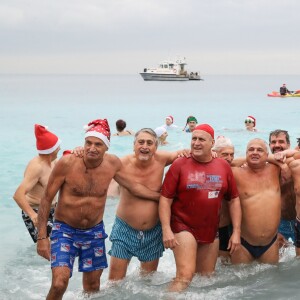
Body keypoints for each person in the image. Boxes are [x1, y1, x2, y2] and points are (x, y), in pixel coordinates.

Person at [36, 119, 159, 299]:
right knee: (59, 283)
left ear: (106, 147)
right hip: (64, 230)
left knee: (93, 287)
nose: (92, 148)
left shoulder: (112, 164)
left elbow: (134, 187)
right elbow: (46, 199)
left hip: (94, 232)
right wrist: (42, 237)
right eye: (88, 143)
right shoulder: (67, 163)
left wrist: (164, 197)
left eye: (98, 144)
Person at [159, 124, 241, 292]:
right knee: (185, 276)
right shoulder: (180, 164)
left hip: (211, 228)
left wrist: (237, 231)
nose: (196, 143)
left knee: (206, 279)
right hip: (183, 225)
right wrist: (166, 229)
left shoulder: (223, 166)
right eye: (193, 139)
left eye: (201, 139)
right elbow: (165, 199)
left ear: (212, 143)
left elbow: (233, 199)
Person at [108, 128, 189, 282]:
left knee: (146, 283)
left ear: (156, 147)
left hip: (153, 231)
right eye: (141, 142)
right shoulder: (122, 163)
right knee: (115, 283)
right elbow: (97, 162)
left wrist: (193, 151)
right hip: (124, 229)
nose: (145, 146)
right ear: (134, 145)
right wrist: (78, 151)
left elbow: (185, 155)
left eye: (149, 143)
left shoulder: (162, 159)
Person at [231, 138, 281, 265]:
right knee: (240, 283)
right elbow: (219, 163)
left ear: (267, 154)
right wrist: (247, 159)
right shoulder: (235, 173)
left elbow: (293, 156)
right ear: (245, 153)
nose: (255, 152)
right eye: (251, 150)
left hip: (271, 243)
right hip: (243, 243)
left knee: (271, 282)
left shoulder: (276, 169)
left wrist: (269, 158)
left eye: (259, 150)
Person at [13, 124, 61, 243]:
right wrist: (32, 215)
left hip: (52, 209)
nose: (60, 147)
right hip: (36, 211)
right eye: (57, 145)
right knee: (50, 247)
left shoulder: (54, 161)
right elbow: (18, 195)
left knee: (60, 244)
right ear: (51, 149)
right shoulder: (37, 167)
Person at [268, 130, 296, 246]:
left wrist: (285, 159)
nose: (277, 145)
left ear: (288, 145)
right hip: (280, 224)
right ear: (269, 145)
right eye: (273, 142)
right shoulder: (265, 168)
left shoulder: (296, 163)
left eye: (281, 142)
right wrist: (279, 163)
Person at [212, 136, 235, 261]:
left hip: (227, 227)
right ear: (214, 153)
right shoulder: (205, 168)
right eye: (225, 154)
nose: (229, 158)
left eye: (232, 154)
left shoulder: (234, 169)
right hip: (210, 228)